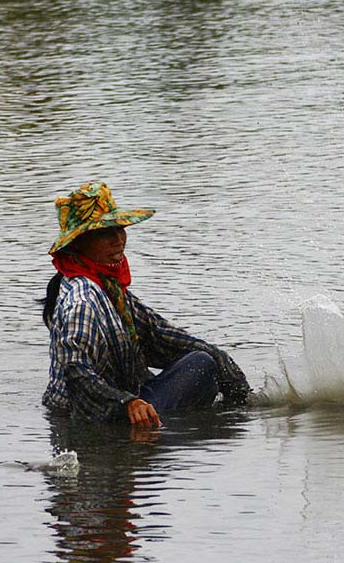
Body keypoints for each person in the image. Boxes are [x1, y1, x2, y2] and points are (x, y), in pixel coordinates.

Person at [41, 181, 250, 427]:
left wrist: (222, 361)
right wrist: (127, 403)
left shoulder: (110, 289)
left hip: (118, 403)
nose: (118, 240)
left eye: (120, 230)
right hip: (91, 414)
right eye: (105, 234)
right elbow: (75, 371)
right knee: (201, 365)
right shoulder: (82, 300)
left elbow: (159, 335)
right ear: (79, 244)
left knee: (206, 359)